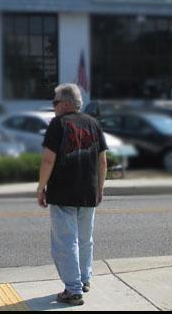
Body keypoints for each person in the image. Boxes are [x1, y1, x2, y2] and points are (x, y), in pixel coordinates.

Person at [37, 83, 108, 306]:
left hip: (63, 192)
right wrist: (100, 188)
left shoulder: (58, 124)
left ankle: (73, 290)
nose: (54, 107)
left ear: (67, 103)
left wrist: (41, 188)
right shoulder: (94, 124)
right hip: (88, 192)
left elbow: (49, 159)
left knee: (65, 243)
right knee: (85, 239)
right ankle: (84, 279)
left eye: (55, 102)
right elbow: (102, 160)